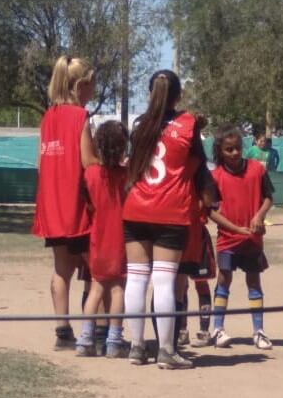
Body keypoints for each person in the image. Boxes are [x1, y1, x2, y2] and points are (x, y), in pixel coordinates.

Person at [122, 69, 215, 370]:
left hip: (135, 208)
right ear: (178, 96)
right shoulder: (188, 126)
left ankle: (137, 348)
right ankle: (165, 351)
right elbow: (200, 168)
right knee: (163, 282)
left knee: (136, 279)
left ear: (150, 93)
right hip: (169, 211)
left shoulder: (139, 126)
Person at [32, 56, 98, 350]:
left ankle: (63, 331)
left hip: (52, 206)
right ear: (81, 85)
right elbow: (88, 162)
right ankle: (94, 331)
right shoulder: (79, 117)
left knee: (61, 269)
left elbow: (40, 164)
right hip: (77, 206)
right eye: (92, 83)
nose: (94, 90)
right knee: (98, 268)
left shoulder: (48, 117)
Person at [209, 124, 274, 350]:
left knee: (254, 282)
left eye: (237, 148)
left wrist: (259, 215)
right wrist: (235, 229)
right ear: (220, 151)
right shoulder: (215, 176)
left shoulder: (257, 169)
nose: (235, 153)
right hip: (227, 240)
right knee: (223, 280)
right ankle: (217, 329)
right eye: (229, 150)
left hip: (252, 240)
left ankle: (259, 331)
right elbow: (210, 210)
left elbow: (268, 197)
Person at [76, 120, 130, 358]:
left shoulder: (90, 174)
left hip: (97, 237)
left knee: (96, 288)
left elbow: (87, 204)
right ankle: (114, 342)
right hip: (120, 238)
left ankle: (85, 340)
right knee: (118, 289)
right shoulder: (127, 175)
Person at [174, 201, 217, 348]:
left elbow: (213, 208)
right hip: (180, 235)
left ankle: (204, 331)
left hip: (198, 238)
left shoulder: (200, 184)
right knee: (181, 285)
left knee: (201, 282)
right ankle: (181, 330)